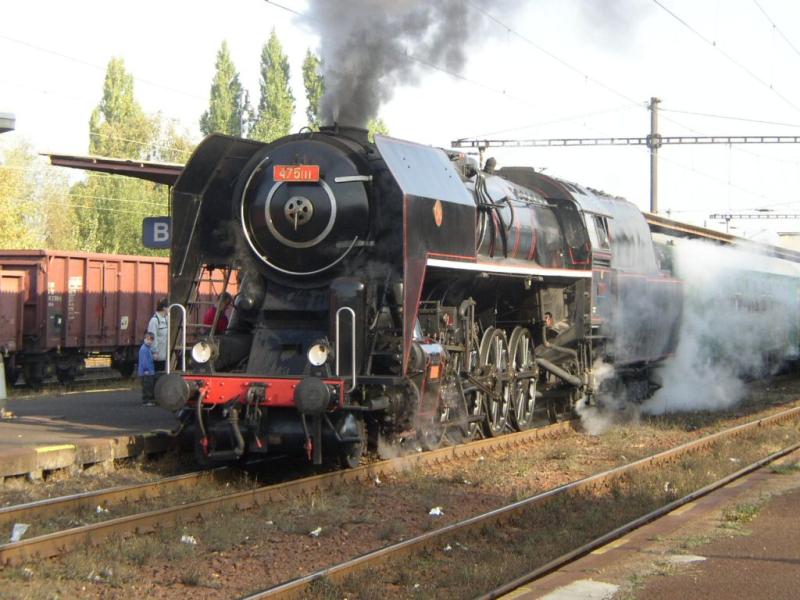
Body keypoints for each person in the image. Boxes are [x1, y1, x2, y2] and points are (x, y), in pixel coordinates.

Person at [147, 298, 169, 372]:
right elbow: (151, 337)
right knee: (157, 374)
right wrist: (154, 352)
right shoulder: (154, 321)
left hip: (165, 355)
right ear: (164, 308)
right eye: (168, 307)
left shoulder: (166, 319)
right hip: (158, 356)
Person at [139, 331, 156, 407]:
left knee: (149, 386)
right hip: (146, 372)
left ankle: (149, 400)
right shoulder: (144, 349)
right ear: (144, 339)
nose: (149, 341)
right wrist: (146, 370)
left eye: (151, 339)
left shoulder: (148, 348)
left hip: (150, 371)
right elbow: (144, 361)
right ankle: (146, 401)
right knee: (147, 387)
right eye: (148, 339)